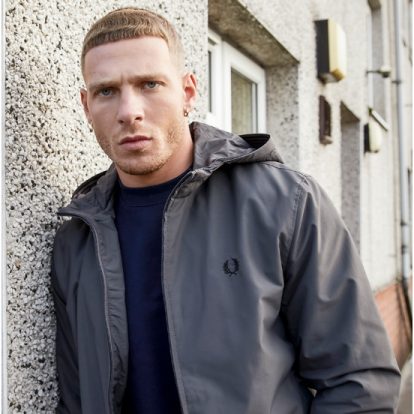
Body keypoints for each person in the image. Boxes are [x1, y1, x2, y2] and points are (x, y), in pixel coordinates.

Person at [51, 7, 401, 414]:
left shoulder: (284, 202)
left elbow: (359, 384)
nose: (129, 111)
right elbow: (76, 401)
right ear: (86, 105)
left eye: (149, 84)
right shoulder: (76, 241)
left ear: (188, 92)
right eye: (106, 91)